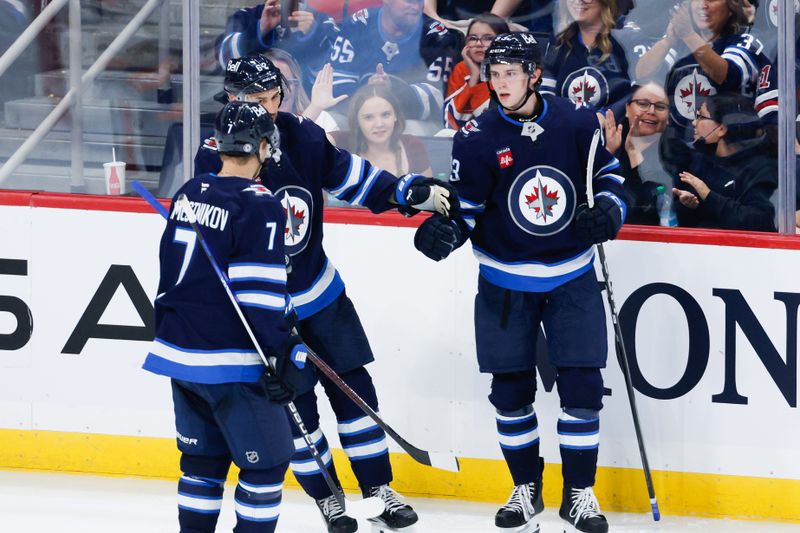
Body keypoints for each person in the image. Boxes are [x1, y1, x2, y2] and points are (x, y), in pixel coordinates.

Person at [195, 54, 455, 533]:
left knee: (356, 392)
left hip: (320, 294)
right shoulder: (219, 155)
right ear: (232, 100)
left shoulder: (302, 136)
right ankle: (329, 497)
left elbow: (354, 177)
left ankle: (379, 489)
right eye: (256, 100)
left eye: (274, 97)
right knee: (299, 411)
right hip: (266, 310)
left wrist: (407, 193)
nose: (269, 109)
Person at [414, 32, 626, 533]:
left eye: (511, 72)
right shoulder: (476, 136)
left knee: (582, 386)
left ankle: (579, 495)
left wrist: (610, 213)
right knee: (510, 392)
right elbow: (466, 206)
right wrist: (447, 230)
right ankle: (526, 488)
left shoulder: (577, 123)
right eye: (494, 73)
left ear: (534, 74)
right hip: (505, 281)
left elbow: (609, 177)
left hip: (571, 276)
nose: (501, 82)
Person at [143, 101, 308, 533]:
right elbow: (258, 293)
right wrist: (282, 351)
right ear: (261, 147)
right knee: (267, 466)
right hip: (231, 361)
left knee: (202, 465)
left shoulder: (189, 192)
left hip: (180, 353)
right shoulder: (260, 204)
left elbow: (170, 273)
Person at [637, 0, 770, 173]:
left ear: (731, 8)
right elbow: (642, 74)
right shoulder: (680, 43)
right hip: (679, 161)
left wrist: (688, 35)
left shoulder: (745, 42)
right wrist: (668, 40)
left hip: (729, 163)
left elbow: (726, 75)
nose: (703, 4)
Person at [672, 93, 777, 231]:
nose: (694, 122)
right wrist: (689, 205)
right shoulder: (699, 160)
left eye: (701, 117)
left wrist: (708, 195)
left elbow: (760, 221)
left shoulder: (760, 169)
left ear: (721, 129)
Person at [540, 0, 632, 115]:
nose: (578, 1)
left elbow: (629, 97)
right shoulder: (559, 43)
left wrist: (602, 118)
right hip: (564, 127)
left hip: (609, 128)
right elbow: (545, 93)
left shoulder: (623, 41)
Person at [599, 82, 672, 224]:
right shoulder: (606, 138)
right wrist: (609, 154)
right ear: (626, 109)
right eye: (643, 104)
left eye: (660, 107)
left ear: (668, 116)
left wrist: (634, 154)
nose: (651, 111)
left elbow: (647, 204)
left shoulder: (676, 152)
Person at [331, 84, 433, 177]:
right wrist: (316, 108)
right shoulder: (343, 143)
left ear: (395, 116)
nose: (379, 124)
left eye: (385, 115)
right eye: (369, 117)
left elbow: (430, 193)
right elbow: (315, 145)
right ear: (357, 121)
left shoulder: (412, 145)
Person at [444, 13, 510, 129]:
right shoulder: (462, 69)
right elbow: (451, 120)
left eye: (488, 38)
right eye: (473, 39)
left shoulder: (514, 71)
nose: (479, 44)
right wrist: (474, 76)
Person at [264, 48, 344, 133]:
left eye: (287, 82)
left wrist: (316, 107)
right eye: (271, 83)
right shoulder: (251, 124)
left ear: (297, 87)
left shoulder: (323, 121)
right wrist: (315, 108)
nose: (281, 90)